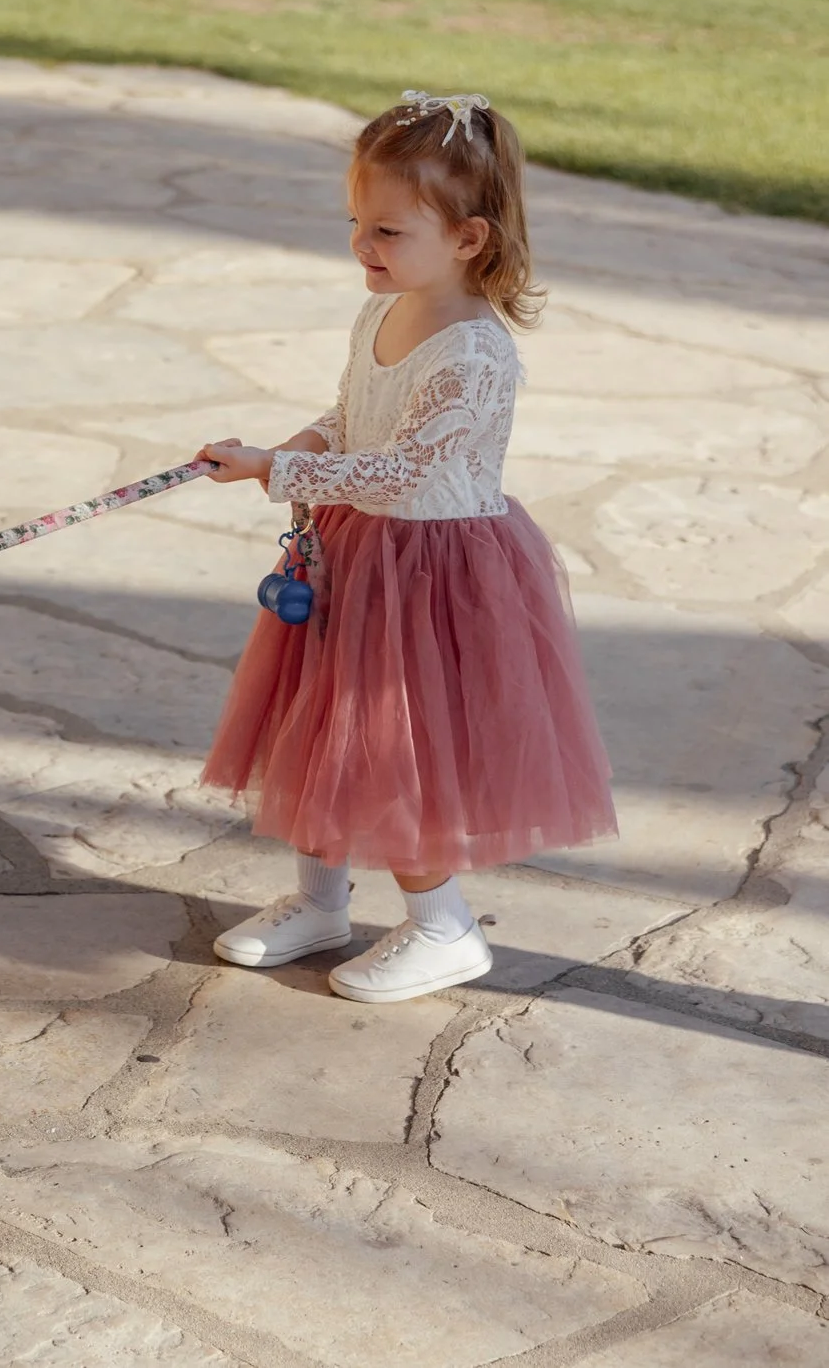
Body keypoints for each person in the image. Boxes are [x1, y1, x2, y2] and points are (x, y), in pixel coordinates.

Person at [193, 91, 615, 1003]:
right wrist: (301, 443)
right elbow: (356, 415)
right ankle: (321, 903)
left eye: (387, 230)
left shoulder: (474, 352)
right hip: (358, 554)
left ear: (468, 237)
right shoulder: (382, 312)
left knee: (395, 752)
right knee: (319, 728)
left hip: (432, 579)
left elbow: (407, 473)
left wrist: (277, 468)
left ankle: (443, 926)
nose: (362, 244)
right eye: (356, 222)